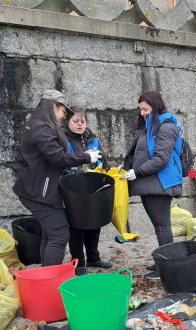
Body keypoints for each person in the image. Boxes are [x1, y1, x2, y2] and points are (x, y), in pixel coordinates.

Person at [13, 90, 100, 266]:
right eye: (62, 111)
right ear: (54, 107)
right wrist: (86, 157)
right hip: (40, 193)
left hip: (37, 189)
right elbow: (57, 157)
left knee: (50, 235)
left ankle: (47, 276)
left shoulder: (37, 125)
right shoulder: (42, 128)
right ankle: (52, 280)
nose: (63, 116)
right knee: (59, 235)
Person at [123, 91, 184, 280]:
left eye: (145, 109)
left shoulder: (165, 128)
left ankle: (167, 265)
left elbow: (161, 159)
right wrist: (127, 167)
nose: (142, 113)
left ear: (156, 108)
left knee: (162, 225)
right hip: (149, 182)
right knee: (158, 225)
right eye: (140, 109)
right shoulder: (149, 126)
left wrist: (137, 172)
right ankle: (163, 261)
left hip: (160, 183)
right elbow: (141, 153)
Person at [64, 108, 112, 275]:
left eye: (82, 122)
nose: (80, 125)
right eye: (75, 121)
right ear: (67, 122)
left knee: (94, 222)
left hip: (92, 184)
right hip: (74, 187)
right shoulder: (64, 138)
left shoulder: (92, 138)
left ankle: (94, 257)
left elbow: (102, 159)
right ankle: (79, 263)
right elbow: (65, 159)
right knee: (77, 225)